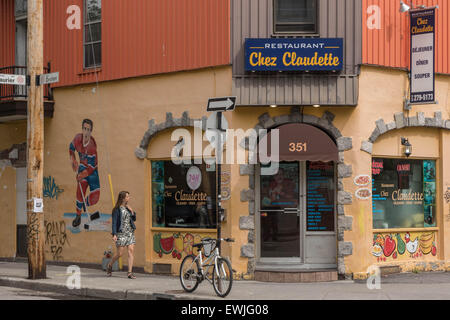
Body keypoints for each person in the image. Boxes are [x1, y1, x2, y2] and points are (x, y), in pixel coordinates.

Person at [69, 119, 100, 228]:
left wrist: (81, 175)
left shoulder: (92, 146)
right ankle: (78, 215)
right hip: (82, 167)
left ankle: (84, 206)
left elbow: (91, 168)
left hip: (92, 171)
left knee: (95, 196)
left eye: (88, 130)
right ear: (82, 129)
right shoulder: (77, 138)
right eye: (84, 129)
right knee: (80, 190)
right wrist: (73, 159)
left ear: (91, 131)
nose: (86, 132)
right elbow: (71, 149)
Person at [107, 191, 137, 279]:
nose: (129, 198)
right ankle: (110, 265)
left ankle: (129, 273)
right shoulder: (116, 209)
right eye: (127, 197)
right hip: (121, 233)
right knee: (120, 254)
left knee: (131, 251)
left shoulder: (128, 208)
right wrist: (114, 234)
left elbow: (134, 218)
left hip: (130, 232)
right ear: (123, 198)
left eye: (128, 196)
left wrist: (132, 211)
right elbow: (114, 223)